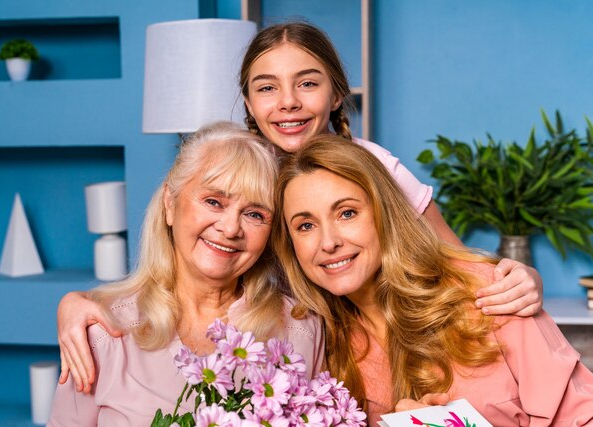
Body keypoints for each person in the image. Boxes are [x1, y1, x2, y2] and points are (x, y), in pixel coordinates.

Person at [57, 21, 543, 393]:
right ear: (248, 101)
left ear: (335, 94)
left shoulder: (374, 167)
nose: (287, 103)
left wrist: (518, 278)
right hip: (305, 361)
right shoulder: (245, 173)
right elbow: (177, 264)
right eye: (267, 87)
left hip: (396, 353)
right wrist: (78, 303)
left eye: (306, 84)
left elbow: (457, 265)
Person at [274, 134, 593, 426]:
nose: (328, 242)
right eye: (305, 226)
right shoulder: (318, 345)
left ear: (384, 214)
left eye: (347, 213)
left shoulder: (487, 292)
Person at [47, 122, 324, 426]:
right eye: (214, 201)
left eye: (255, 214)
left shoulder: (301, 331)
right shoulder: (103, 333)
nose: (231, 228)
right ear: (169, 202)